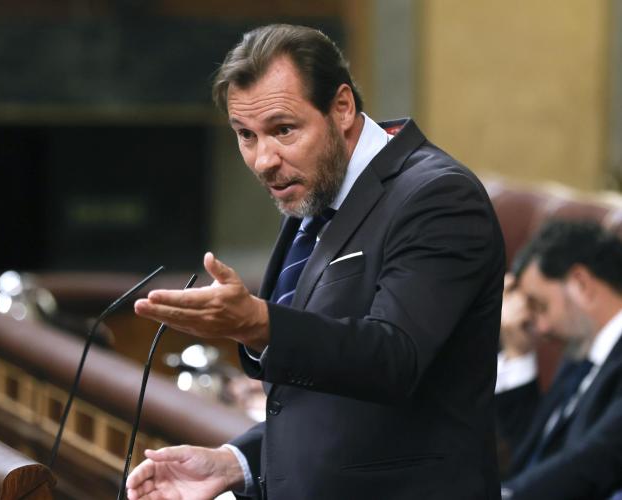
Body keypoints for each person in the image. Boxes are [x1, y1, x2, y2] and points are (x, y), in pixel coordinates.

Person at [127, 24, 505, 499]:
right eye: (246, 135)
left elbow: (393, 358)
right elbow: (328, 401)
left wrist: (259, 324)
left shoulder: (438, 196)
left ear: (342, 107)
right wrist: (236, 462)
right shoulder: (318, 190)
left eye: (283, 130)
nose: (263, 160)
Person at [496, 220, 622, 499]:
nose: (541, 328)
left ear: (581, 284)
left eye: (540, 306)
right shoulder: (579, 357)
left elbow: (598, 458)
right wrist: (518, 353)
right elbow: (533, 458)